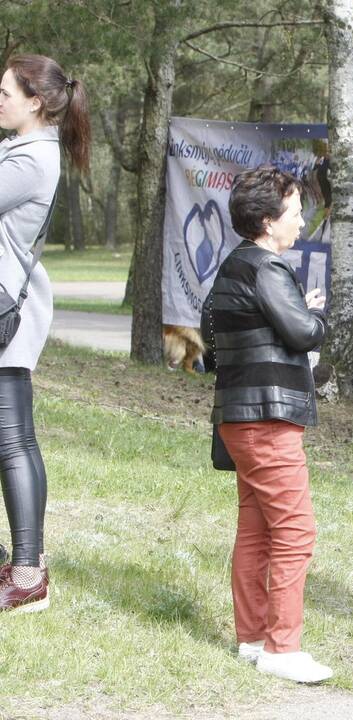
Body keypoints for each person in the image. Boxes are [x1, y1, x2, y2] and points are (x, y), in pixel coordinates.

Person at [200, 166, 332, 683]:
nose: (301, 223)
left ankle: (253, 638)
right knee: (296, 531)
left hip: (237, 416)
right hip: (268, 419)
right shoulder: (268, 268)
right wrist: (316, 316)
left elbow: (212, 333)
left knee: (256, 530)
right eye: (296, 213)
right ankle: (282, 647)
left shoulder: (232, 265)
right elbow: (301, 331)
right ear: (267, 221)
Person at [0, 54, 90, 612]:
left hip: (7, 310)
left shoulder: (31, 158)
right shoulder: (21, 150)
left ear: (35, 101)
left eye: (5, 93)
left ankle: (29, 572)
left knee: (13, 440)